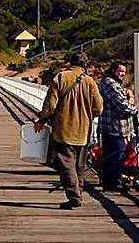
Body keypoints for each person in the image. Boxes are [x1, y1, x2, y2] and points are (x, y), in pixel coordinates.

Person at [34, 52, 103, 210]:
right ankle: (78, 193)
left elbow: (50, 106)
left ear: (70, 62)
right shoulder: (90, 82)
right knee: (79, 165)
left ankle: (74, 197)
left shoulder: (61, 78)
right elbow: (98, 107)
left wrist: (42, 119)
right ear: (84, 64)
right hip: (84, 130)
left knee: (66, 164)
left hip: (63, 129)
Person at [97, 61, 138, 192]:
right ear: (114, 70)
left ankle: (109, 181)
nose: (123, 74)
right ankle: (113, 182)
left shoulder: (108, 82)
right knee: (117, 154)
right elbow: (121, 106)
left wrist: (125, 95)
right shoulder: (110, 84)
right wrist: (134, 109)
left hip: (111, 126)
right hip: (114, 127)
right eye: (121, 71)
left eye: (124, 72)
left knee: (110, 154)